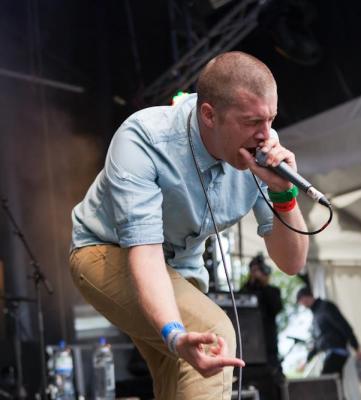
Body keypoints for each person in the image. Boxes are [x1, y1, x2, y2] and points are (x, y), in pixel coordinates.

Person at [69, 51, 309, 400]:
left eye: (270, 119)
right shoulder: (145, 139)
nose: (265, 135)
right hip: (103, 251)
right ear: (209, 115)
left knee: (186, 373)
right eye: (252, 122)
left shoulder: (260, 154)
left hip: (180, 270)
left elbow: (291, 263)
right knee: (213, 336)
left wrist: (284, 193)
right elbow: (146, 255)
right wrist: (174, 334)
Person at [296, 287, 361, 381]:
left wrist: (356, 347)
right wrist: (307, 360)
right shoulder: (316, 314)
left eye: (301, 302)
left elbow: (343, 326)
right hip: (329, 353)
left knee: (326, 382)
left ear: (304, 298)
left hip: (337, 350)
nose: (302, 306)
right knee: (332, 383)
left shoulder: (326, 307)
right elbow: (318, 341)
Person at [241, 254, 284, 399]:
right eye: (253, 270)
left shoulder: (272, 291)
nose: (256, 273)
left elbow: (276, 307)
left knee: (274, 389)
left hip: (269, 352)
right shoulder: (246, 290)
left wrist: (263, 283)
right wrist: (251, 281)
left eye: (258, 270)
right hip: (248, 353)